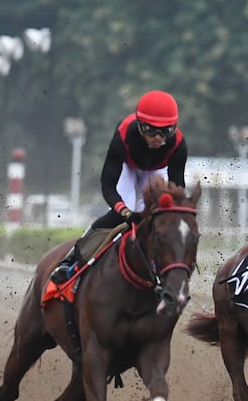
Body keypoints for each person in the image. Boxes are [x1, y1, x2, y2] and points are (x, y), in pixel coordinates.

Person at [50, 90, 188, 284]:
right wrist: (124, 212)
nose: (158, 138)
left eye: (166, 131)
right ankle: (70, 261)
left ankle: (174, 267)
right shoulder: (123, 135)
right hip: (129, 168)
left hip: (157, 171)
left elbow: (178, 191)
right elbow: (107, 186)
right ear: (140, 127)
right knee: (117, 216)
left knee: (164, 217)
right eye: (151, 130)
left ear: (174, 129)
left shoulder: (179, 145)